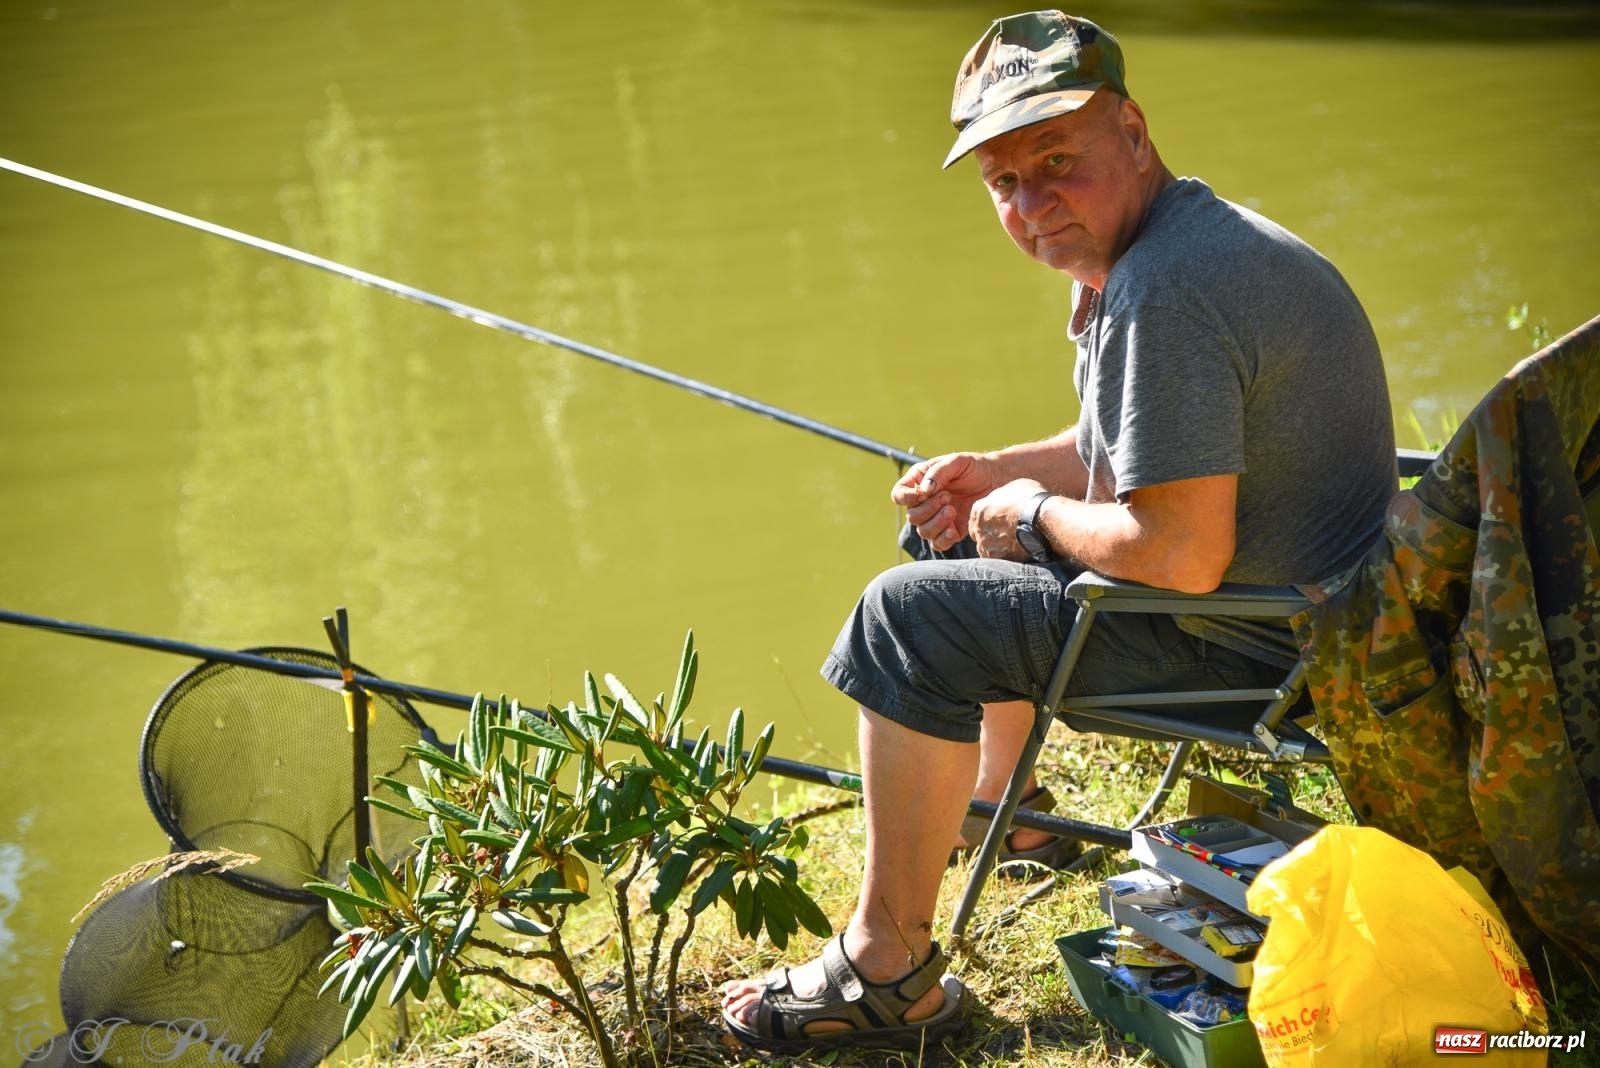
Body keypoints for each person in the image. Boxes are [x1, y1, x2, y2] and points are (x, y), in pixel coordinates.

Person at [723, 9, 1396, 1053]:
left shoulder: (1164, 289)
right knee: (949, 537)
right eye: (1003, 182)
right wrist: (995, 477)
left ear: (1130, 130)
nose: (1033, 205)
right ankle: (1012, 810)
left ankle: (882, 970)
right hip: (1320, 609)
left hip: (1265, 654)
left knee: (906, 621)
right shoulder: (1195, 237)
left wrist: (1029, 514)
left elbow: (1177, 553)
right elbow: (1136, 440)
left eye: (1056, 160)